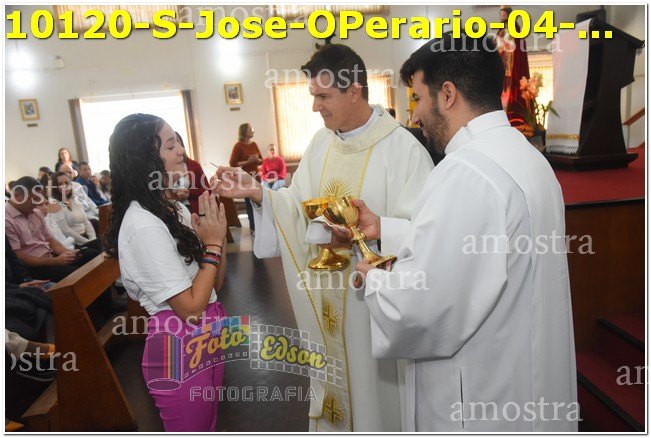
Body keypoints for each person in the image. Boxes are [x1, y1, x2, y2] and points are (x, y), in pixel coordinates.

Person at [346, 33, 577, 431]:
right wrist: (386, 229)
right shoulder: (528, 157)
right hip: (524, 384)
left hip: (479, 399)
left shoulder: (464, 171)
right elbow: (479, 249)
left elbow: (422, 309)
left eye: (419, 98)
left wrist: (374, 280)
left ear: (448, 94)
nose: (415, 115)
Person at [215, 44, 433, 432]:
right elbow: (295, 206)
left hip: (372, 305)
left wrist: (367, 239)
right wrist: (258, 193)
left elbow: (424, 235)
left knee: (375, 397)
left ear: (355, 91)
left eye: (323, 96)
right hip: (328, 297)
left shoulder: (404, 151)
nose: (315, 107)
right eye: (312, 95)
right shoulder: (321, 143)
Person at [104, 113, 228, 432]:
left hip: (207, 331)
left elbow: (214, 283)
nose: (181, 151)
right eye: (170, 146)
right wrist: (212, 245)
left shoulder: (172, 208)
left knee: (209, 426)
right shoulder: (143, 225)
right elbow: (190, 310)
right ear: (146, 160)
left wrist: (216, 234)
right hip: (178, 343)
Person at [5, 177, 101, 282]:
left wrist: (68, 253)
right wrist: (55, 261)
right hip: (33, 267)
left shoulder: (35, 213)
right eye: (34, 199)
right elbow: (17, 256)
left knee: (92, 255)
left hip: (50, 256)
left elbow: (51, 240)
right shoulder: (6, 220)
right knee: (79, 275)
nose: (36, 203)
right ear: (17, 196)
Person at [48, 172, 100, 250]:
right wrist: (88, 242)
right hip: (73, 244)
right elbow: (65, 231)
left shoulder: (74, 198)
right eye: (60, 184)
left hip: (86, 238)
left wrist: (93, 238)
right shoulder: (53, 203)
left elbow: (86, 221)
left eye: (66, 183)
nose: (64, 186)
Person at [497, 6, 531, 121]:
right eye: (501, 15)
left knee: (512, 91)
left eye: (504, 15)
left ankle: (513, 116)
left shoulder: (515, 28)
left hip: (512, 65)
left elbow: (518, 44)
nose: (503, 17)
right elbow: (498, 45)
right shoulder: (500, 30)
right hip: (503, 64)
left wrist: (508, 46)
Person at [228, 123, 262, 234]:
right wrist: (248, 162)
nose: (253, 131)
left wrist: (257, 160)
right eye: (250, 129)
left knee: (260, 202)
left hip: (257, 177)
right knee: (250, 204)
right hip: (245, 179)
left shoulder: (254, 144)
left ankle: (262, 226)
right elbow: (232, 163)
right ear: (244, 132)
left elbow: (261, 160)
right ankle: (253, 228)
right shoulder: (238, 146)